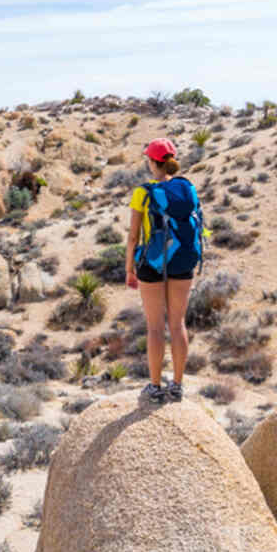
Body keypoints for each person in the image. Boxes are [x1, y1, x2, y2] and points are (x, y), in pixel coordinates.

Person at [125, 138, 205, 404]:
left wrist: (129, 269)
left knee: (155, 327)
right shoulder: (187, 188)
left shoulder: (143, 192)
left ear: (151, 162)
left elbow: (133, 237)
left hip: (152, 263)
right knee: (177, 323)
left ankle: (156, 387)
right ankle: (178, 386)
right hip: (183, 261)